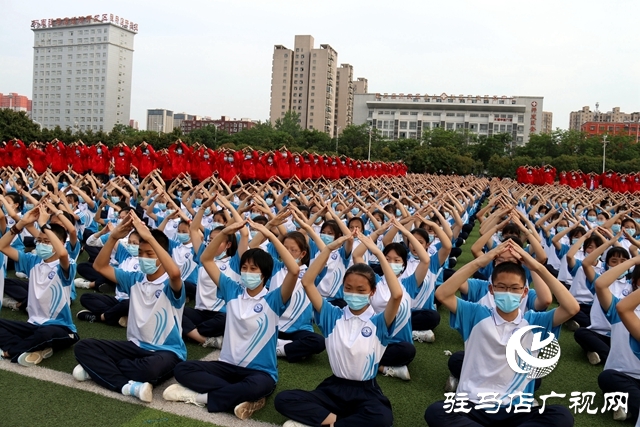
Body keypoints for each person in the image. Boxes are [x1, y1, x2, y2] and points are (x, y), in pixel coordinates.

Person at [424, 240, 578, 427]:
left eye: (514, 288)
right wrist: (482, 260)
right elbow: (442, 294)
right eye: (502, 287)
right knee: (437, 411)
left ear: (524, 293)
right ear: (492, 289)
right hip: (473, 404)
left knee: (561, 415)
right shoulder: (476, 315)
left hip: (516, 409)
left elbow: (571, 308)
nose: (508, 293)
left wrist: (537, 267)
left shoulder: (535, 321)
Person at [162, 219, 298, 420]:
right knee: (183, 369)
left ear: (265, 274)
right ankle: (245, 397)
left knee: (261, 385)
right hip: (226, 366)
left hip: (259, 372)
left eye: (254, 269)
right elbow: (206, 259)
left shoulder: (274, 299)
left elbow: (294, 270)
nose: (247, 272)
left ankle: (201, 398)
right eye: (244, 268)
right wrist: (225, 231)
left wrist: (270, 236)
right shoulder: (232, 290)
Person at [273, 232, 401, 427]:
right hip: (334, 388)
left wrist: (378, 253)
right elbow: (307, 282)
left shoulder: (379, 322)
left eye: (361, 290)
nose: (354, 294)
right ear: (342, 289)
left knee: (382, 419)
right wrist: (329, 248)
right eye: (348, 288)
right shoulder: (332, 316)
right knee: (284, 399)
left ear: (372, 292)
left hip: (365, 390)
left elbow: (397, 294)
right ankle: (336, 422)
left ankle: (323, 421)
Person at [72, 213, 185, 403]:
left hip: (166, 352)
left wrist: (149, 236)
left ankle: (101, 369)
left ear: (163, 255)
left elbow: (174, 272)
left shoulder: (170, 284)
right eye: (141, 253)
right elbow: (100, 266)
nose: (143, 258)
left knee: (148, 369)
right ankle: (128, 386)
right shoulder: (135, 279)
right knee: (84, 347)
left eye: (150, 254)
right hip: (134, 346)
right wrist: (114, 236)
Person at [0, 205, 79, 366]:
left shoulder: (65, 265)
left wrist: (44, 225)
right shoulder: (33, 261)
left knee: (46, 334)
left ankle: (11, 351)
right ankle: (33, 348)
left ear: (60, 243)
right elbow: (2, 246)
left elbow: (63, 253)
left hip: (61, 328)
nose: (42, 245)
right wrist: (21, 223)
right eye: (40, 241)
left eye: (47, 242)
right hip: (33, 325)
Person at [594, 253, 640, 422]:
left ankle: (626, 409)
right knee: (607, 378)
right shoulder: (618, 307)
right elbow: (600, 284)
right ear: (635, 283)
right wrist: (634, 260)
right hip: (622, 376)